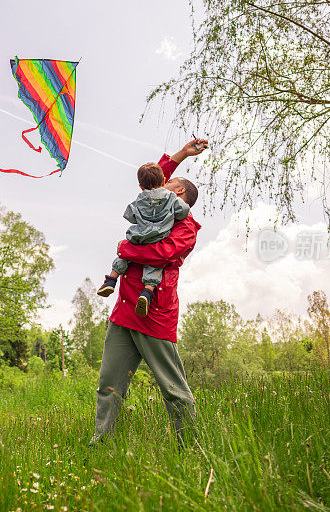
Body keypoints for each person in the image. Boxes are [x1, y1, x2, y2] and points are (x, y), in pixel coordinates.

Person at [91, 138, 207, 447]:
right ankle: (100, 443)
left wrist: (126, 248)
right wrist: (181, 154)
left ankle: (190, 447)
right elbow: (153, 179)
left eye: (169, 184)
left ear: (178, 193)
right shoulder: (152, 209)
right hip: (125, 309)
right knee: (109, 385)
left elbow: (162, 253)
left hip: (155, 313)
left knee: (173, 390)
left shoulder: (188, 226)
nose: (161, 186)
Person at [96, 162, 190, 317]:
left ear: (140, 186)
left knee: (123, 256)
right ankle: (146, 293)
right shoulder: (172, 198)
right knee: (154, 266)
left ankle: (111, 280)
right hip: (157, 238)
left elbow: (129, 215)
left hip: (138, 236)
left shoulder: (139, 199)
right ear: (162, 182)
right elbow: (183, 211)